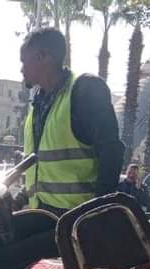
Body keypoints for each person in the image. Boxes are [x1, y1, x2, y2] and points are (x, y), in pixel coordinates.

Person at [20, 28, 125, 215]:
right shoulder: (38, 103)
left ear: (42, 57)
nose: (21, 69)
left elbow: (111, 150)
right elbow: (40, 164)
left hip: (77, 218)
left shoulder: (85, 89)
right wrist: (21, 196)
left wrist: (97, 212)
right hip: (42, 214)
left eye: (24, 61)